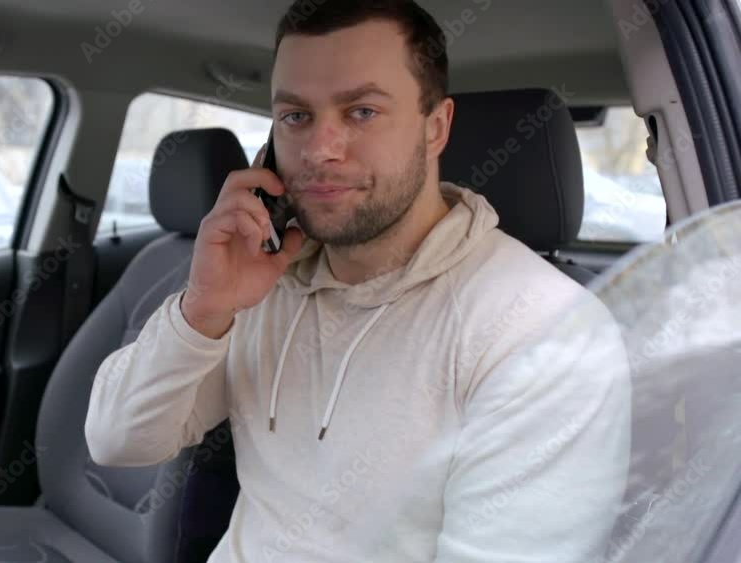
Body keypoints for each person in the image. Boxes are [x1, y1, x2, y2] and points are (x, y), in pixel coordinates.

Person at [85, 1, 630, 561]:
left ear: (435, 127)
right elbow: (118, 440)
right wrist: (203, 309)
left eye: (362, 111)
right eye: (296, 117)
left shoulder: (544, 331)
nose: (320, 150)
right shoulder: (262, 284)